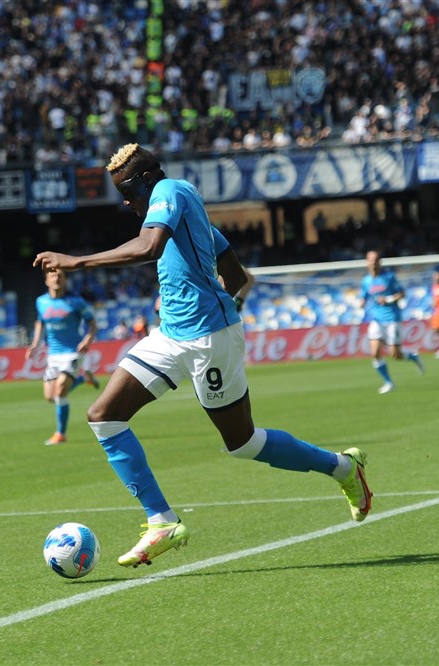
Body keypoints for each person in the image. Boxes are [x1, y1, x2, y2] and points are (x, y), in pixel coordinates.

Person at [33, 143, 371, 569]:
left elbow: (149, 248)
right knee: (104, 416)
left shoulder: (170, 192)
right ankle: (161, 521)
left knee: (243, 443)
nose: (126, 202)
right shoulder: (184, 208)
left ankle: (343, 468)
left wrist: (76, 262)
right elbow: (235, 275)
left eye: (127, 192)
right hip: (172, 334)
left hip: (209, 339)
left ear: (145, 181)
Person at [25, 269, 100, 446]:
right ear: (46, 281)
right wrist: (35, 343)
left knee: (60, 392)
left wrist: (88, 339)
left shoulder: (76, 302)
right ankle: (83, 379)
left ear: (65, 280)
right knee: (50, 397)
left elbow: (92, 324)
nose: (56, 278)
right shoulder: (41, 302)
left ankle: (60, 434)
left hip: (73, 352)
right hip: (53, 355)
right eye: (53, 276)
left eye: (60, 275)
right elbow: (40, 322)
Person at [361, 251, 425, 394]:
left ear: (380, 262)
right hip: (376, 320)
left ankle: (413, 356)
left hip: (392, 319)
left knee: (395, 355)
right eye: (370, 260)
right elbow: (364, 295)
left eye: (375, 259)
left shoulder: (389, 277)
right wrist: (362, 302)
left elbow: (402, 293)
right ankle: (388, 383)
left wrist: (388, 299)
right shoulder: (366, 281)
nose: (373, 262)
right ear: (366, 262)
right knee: (375, 352)